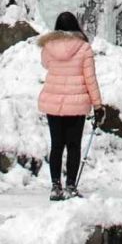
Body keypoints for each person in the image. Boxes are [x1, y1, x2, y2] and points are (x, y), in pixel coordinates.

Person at [36, 11, 103, 200]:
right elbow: (90, 79)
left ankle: (55, 186)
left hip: (53, 102)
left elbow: (46, 65)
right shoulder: (83, 48)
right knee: (73, 146)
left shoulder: (48, 47)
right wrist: (98, 106)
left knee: (57, 145)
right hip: (77, 104)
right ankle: (71, 186)